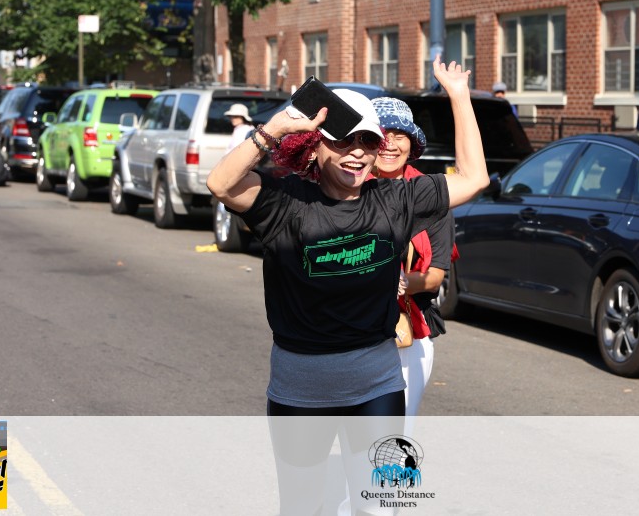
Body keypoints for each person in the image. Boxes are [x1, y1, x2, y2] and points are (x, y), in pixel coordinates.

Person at [206, 57, 488, 515]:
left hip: (377, 383)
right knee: (301, 507)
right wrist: (275, 128)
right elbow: (220, 183)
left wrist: (458, 95)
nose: (357, 152)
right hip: (300, 387)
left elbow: (475, 178)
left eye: (367, 141)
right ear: (315, 145)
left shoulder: (396, 199)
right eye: (343, 140)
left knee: (382, 503)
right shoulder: (285, 203)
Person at [371, 96, 453, 419]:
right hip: (346, 332)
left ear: (412, 144)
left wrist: (398, 281)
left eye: (400, 135)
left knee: (395, 433)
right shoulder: (346, 188)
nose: (390, 144)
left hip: (406, 332)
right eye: (381, 135)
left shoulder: (431, 195)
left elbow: (435, 276)